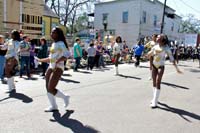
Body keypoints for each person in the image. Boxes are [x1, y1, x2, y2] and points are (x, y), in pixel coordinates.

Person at [36, 27, 70, 112]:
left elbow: (67, 55)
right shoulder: (53, 44)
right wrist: (40, 60)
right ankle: (53, 106)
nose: (52, 34)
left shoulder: (61, 43)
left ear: (58, 34)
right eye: (51, 32)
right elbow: (51, 58)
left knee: (51, 88)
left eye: (54, 32)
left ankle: (65, 97)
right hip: (51, 67)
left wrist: (58, 61)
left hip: (58, 68)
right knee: (47, 87)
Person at [147, 34, 182, 108]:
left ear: (162, 39)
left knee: (157, 82)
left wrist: (177, 69)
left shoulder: (166, 48)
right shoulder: (155, 46)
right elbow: (150, 54)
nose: (157, 38)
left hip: (160, 66)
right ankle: (154, 98)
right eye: (157, 37)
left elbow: (172, 58)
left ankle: (155, 102)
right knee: (153, 82)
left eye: (159, 37)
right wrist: (149, 54)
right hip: (154, 65)